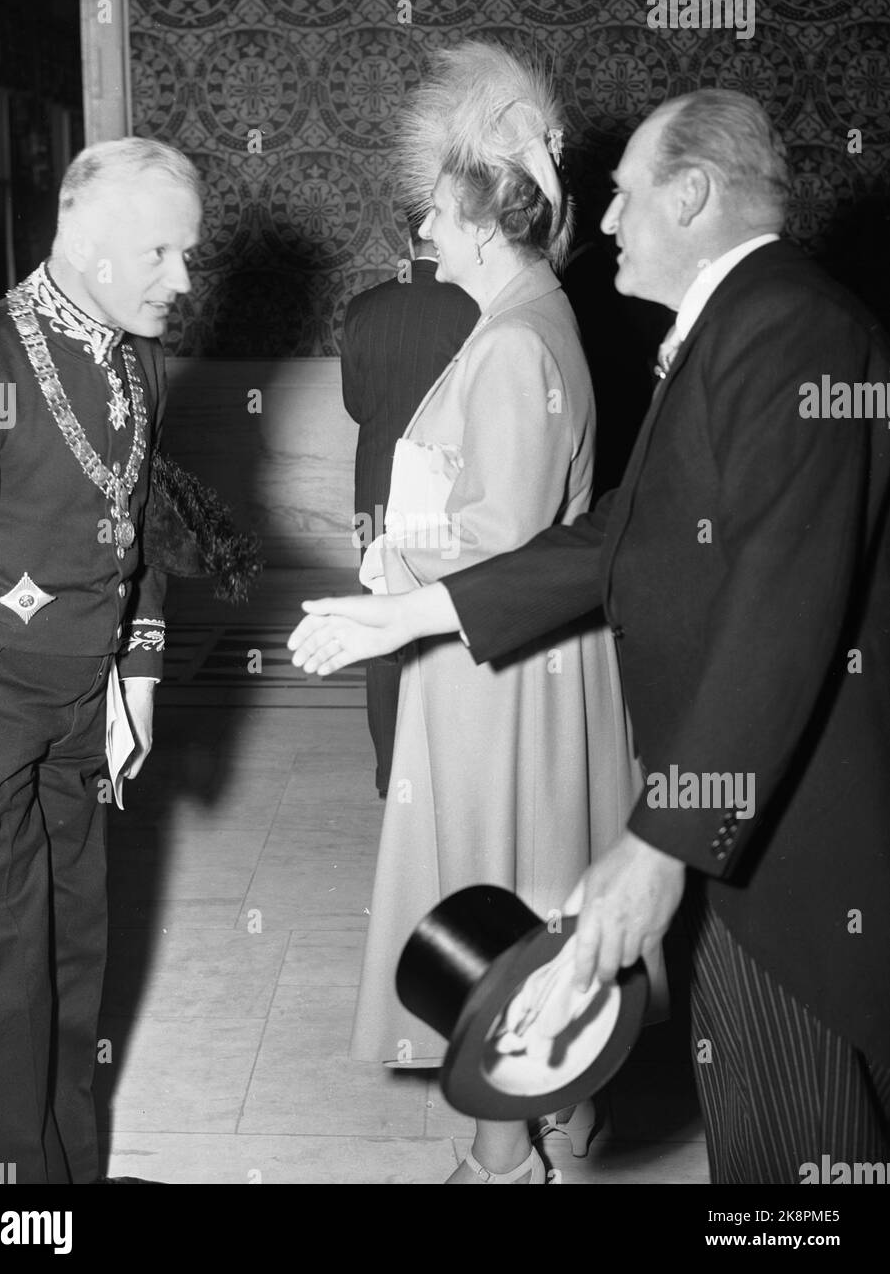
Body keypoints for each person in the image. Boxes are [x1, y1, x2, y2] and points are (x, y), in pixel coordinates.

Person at [289, 89, 890, 1184]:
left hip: (787, 844)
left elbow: (780, 612)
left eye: (623, 196)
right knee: (758, 1129)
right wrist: (415, 609)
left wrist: (660, 847)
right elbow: (615, 535)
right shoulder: (732, 324)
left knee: (806, 1149)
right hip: (733, 815)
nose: (599, 220)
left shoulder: (796, 329)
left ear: (694, 194)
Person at [346, 42, 643, 1185]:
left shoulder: (517, 337)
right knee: (532, 885)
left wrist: (394, 574)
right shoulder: (521, 311)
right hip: (506, 665)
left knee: (497, 892)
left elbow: (508, 549)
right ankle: (570, 1113)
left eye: (431, 205)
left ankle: (500, 1145)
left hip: (497, 678)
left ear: (469, 214)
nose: (421, 222)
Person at [0, 136, 201, 1184]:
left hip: (83, 711)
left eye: (190, 253)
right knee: (2, 982)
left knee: (76, 958)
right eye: (162, 252)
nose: (184, 279)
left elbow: (144, 518)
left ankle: (72, 1182)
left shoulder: (137, 355)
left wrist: (137, 670)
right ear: (83, 241)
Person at [341, 210, 477, 797]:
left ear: (407, 237)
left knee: (383, 630)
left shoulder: (364, 307)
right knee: (455, 620)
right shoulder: (479, 306)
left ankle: (391, 773)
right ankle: (454, 770)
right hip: (451, 489)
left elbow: (357, 404)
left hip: (377, 489)